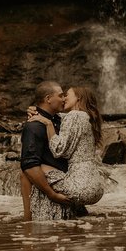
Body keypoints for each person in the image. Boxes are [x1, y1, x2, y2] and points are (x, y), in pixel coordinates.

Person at [27, 85, 105, 220]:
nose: (64, 98)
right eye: (62, 96)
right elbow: (58, 116)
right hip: (96, 186)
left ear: (78, 98)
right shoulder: (85, 117)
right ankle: (77, 212)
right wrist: (36, 110)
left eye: (67, 95)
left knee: (31, 169)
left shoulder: (74, 116)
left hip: (81, 186)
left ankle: (30, 220)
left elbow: (59, 150)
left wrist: (48, 124)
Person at [20, 81, 72, 221]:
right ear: (48, 99)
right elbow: (29, 167)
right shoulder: (34, 126)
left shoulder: (60, 120)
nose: (64, 99)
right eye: (61, 95)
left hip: (64, 186)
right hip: (51, 194)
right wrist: (52, 194)